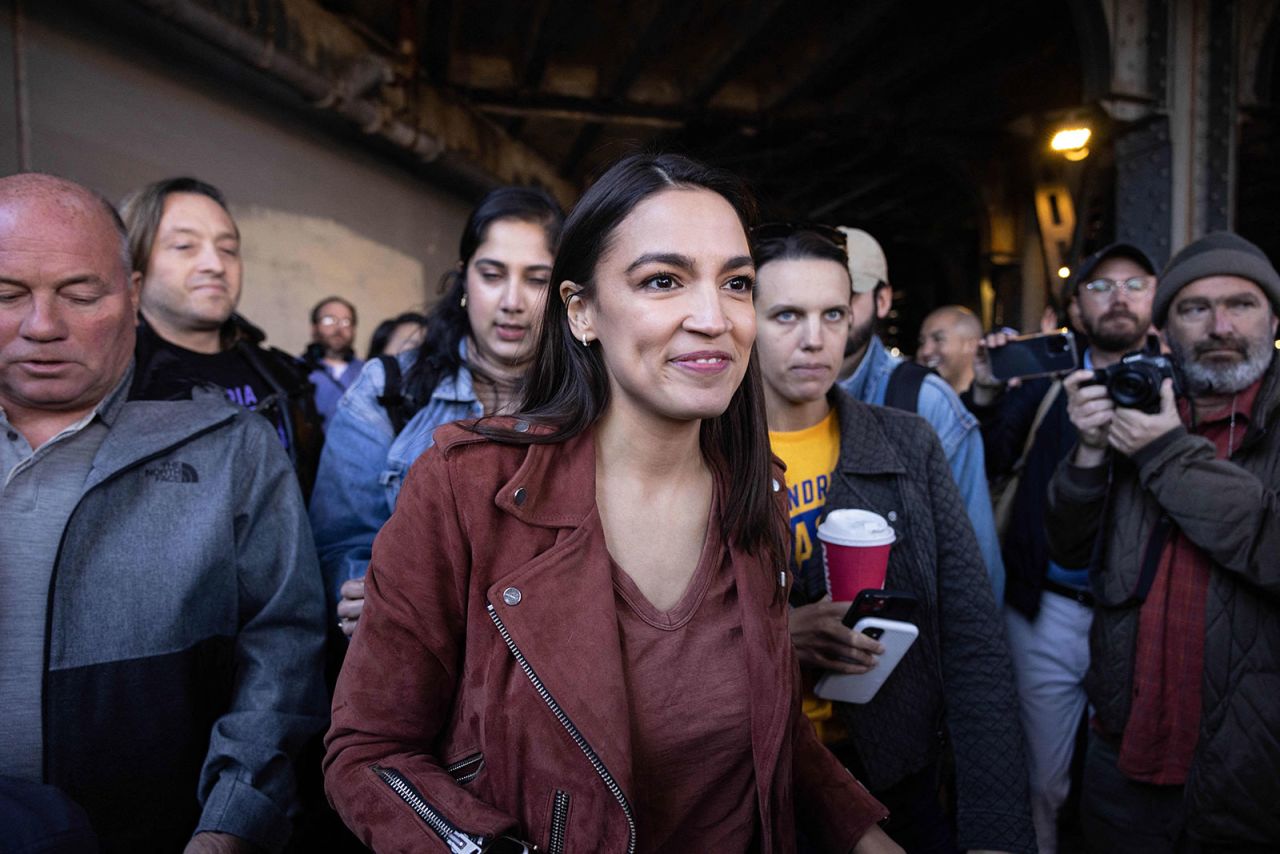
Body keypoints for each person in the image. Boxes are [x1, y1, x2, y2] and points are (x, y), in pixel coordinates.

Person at [323, 154, 900, 853]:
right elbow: (370, 751)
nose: (714, 318)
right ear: (582, 311)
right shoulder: (464, 487)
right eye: (664, 280)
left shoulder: (756, 495)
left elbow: (770, 732)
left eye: (738, 283)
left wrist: (865, 834)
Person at [0, 173, 327, 852]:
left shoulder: (233, 442)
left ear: (132, 294)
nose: (41, 327)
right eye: (6, 295)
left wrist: (233, 819)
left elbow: (284, 643)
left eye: (80, 294)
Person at [752, 226, 1034, 854]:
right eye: (786, 315)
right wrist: (779, 632)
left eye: (832, 313)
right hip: (755, 778)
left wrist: (995, 826)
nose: (814, 338)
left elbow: (970, 635)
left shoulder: (908, 442)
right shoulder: (703, 454)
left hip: (891, 769)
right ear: (744, 319)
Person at [1046, 231, 1280, 850]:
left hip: (1254, 768)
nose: (1219, 325)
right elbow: (1070, 549)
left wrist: (1163, 450)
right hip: (1126, 749)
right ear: (1167, 328)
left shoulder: (1159, 433)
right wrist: (1091, 453)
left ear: (1275, 317)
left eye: (1241, 304)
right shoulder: (1144, 405)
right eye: (1195, 309)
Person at [969, 242, 1157, 854]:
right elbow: (990, 458)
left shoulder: (1184, 380)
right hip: (1047, 608)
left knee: (1141, 783)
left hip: (1144, 614)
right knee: (1043, 783)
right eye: (1101, 286)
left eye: (1134, 283)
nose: (1119, 297)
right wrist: (989, 391)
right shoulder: (1047, 381)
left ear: (1157, 297)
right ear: (1076, 306)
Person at [309, 186, 564, 633]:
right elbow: (342, 540)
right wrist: (360, 591)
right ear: (464, 278)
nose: (512, 301)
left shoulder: (591, 400)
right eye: (492, 274)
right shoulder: (390, 390)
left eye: (537, 279)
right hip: (419, 658)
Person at [121, 176, 323, 497]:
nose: (215, 264)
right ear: (136, 268)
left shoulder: (284, 378)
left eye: (228, 249)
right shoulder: (112, 383)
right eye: (185, 246)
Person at [834, 228, 1005, 602]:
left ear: (882, 300)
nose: (831, 311)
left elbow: (975, 560)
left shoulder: (927, 402)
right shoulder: (760, 398)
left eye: (846, 295)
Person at [304, 295, 364, 428]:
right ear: (314, 328)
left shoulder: (367, 372)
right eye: (329, 320)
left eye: (346, 321)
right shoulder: (295, 369)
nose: (338, 328)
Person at [916, 304, 983, 395]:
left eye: (938, 339)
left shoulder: (991, 404)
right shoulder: (915, 402)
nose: (925, 351)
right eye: (922, 342)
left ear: (971, 345)